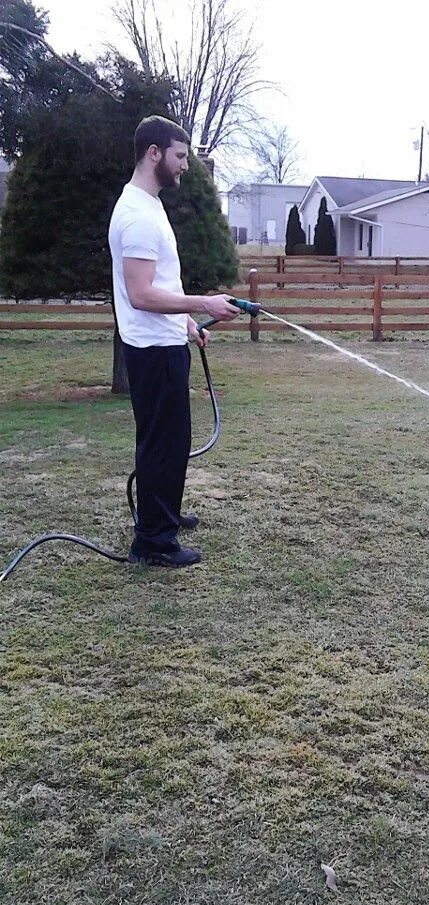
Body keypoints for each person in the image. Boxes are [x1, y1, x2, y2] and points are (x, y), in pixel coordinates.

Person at [108, 115, 240, 568]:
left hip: (164, 341)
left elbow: (162, 280)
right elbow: (140, 293)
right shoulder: (137, 215)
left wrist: (186, 322)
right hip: (151, 350)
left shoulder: (149, 205)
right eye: (180, 156)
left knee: (170, 438)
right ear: (154, 153)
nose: (186, 165)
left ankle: (162, 513)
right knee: (162, 442)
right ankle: (154, 543)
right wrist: (203, 304)